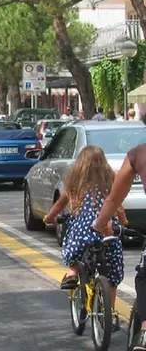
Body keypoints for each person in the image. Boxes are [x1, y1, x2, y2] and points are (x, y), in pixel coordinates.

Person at [45, 146, 126, 331]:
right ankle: (111, 313)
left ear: (80, 165)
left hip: (84, 234)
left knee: (74, 244)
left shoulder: (75, 184)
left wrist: (49, 217)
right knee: (111, 278)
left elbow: (60, 204)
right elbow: (119, 207)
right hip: (107, 233)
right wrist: (123, 221)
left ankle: (73, 272)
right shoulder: (111, 182)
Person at [94, 131, 146, 349]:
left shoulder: (138, 154)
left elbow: (114, 198)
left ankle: (145, 330)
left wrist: (99, 223)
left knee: (144, 278)